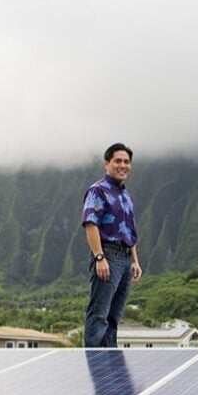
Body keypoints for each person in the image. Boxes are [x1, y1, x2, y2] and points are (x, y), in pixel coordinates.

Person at [82, 142, 142, 347]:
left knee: (114, 317)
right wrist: (99, 257)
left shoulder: (126, 196)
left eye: (127, 162)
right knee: (99, 313)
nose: (123, 165)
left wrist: (135, 260)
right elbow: (90, 223)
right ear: (106, 164)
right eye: (118, 161)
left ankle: (108, 366)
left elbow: (129, 230)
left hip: (125, 259)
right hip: (108, 256)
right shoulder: (98, 191)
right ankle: (94, 361)